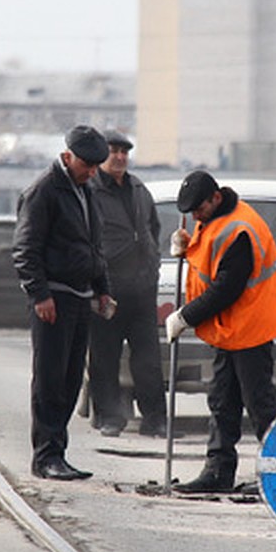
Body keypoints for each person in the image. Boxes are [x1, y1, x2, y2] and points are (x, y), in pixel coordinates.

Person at [164, 170, 276, 493]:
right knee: (222, 400)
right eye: (191, 213)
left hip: (251, 325)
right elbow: (210, 256)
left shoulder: (240, 230)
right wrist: (188, 247)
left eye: (200, 210)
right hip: (230, 329)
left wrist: (185, 316)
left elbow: (226, 288)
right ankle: (218, 473)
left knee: (260, 404)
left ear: (216, 198)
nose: (196, 216)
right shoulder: (214, 218)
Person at [12, 125, 116, 480]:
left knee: (71, 380)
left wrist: (102, 288)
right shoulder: (44, 192)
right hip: (53, 298)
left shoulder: (85, 191)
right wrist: (39, 294)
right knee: (50, 380)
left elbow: (93, 246)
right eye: (86, 165)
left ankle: (59, 451)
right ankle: (45, 457)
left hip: (81, 297)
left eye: (94, 167)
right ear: (68, 156)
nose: (91, 172)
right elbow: (26, 249)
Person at [86, 129, 167, 437]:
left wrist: (152, 269)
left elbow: (152, 232)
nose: (119, 157)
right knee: (104, 358)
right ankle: (110, 417)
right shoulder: (91, 190)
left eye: (124, 151)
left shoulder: (137, 189)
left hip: (142, 291)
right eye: (113, 151)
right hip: (107, 289)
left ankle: (155, 420)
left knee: (148, 360)